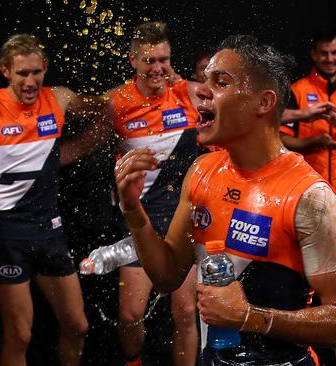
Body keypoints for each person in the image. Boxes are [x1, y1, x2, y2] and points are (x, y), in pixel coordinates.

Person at [114, 34, 336, 366]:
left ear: (264, 103)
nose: (201, 90)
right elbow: (168, 275)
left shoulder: (310, 197)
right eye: (204, 81)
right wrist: (134, 211)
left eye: (220, 82)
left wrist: (249, 318)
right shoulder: (202, 171)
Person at [0, 33, 110, 366]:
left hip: (50, 231)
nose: (30, 81)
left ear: (45, 69)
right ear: (5, 71)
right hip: (8, 234)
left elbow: (107, 109)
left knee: (78, 325)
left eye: (36, 72)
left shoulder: (59, 99)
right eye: (22, 73)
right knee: (20, 335)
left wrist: (73, 150)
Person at [107, 21, 201, 366]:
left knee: (186, 312)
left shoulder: (187, 93)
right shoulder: (117, 101)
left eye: (163, 59)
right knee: (131, 314)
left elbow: (227, 101)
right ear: (132, 60)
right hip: (139, 220)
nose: (157, 68)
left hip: (180, 218)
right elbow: (89, 144)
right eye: (149, 60)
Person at [280, 29, 336, 256]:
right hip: (307, 192)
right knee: (308, 259)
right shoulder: (297, 90)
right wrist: (316, 143)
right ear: (313, 55)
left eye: (335, 53)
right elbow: (281, 142)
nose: (329, 59)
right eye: (324, 53)